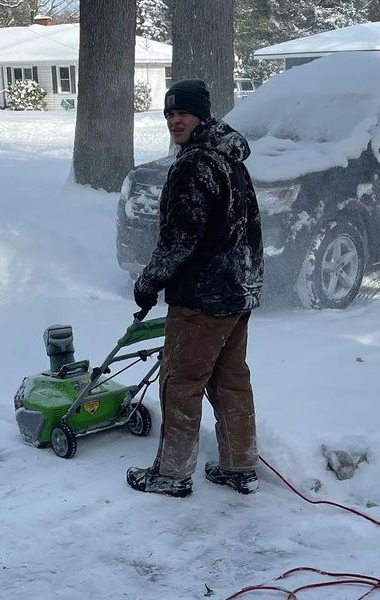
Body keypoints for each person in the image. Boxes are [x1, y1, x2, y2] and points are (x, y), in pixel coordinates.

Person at [126, 79, 264, 498]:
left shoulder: (195, 164)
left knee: (181, 382)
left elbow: (180, 238)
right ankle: (239, 465)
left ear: (201, 115)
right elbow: (249, 231)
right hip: (236, 292)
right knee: (230, 380)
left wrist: (149, 282)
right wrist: (247, 282)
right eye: (169, 114)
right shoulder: (229, 157)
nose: (174, 120)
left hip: (203, 297)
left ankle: (172, 473)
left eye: (182, 113)